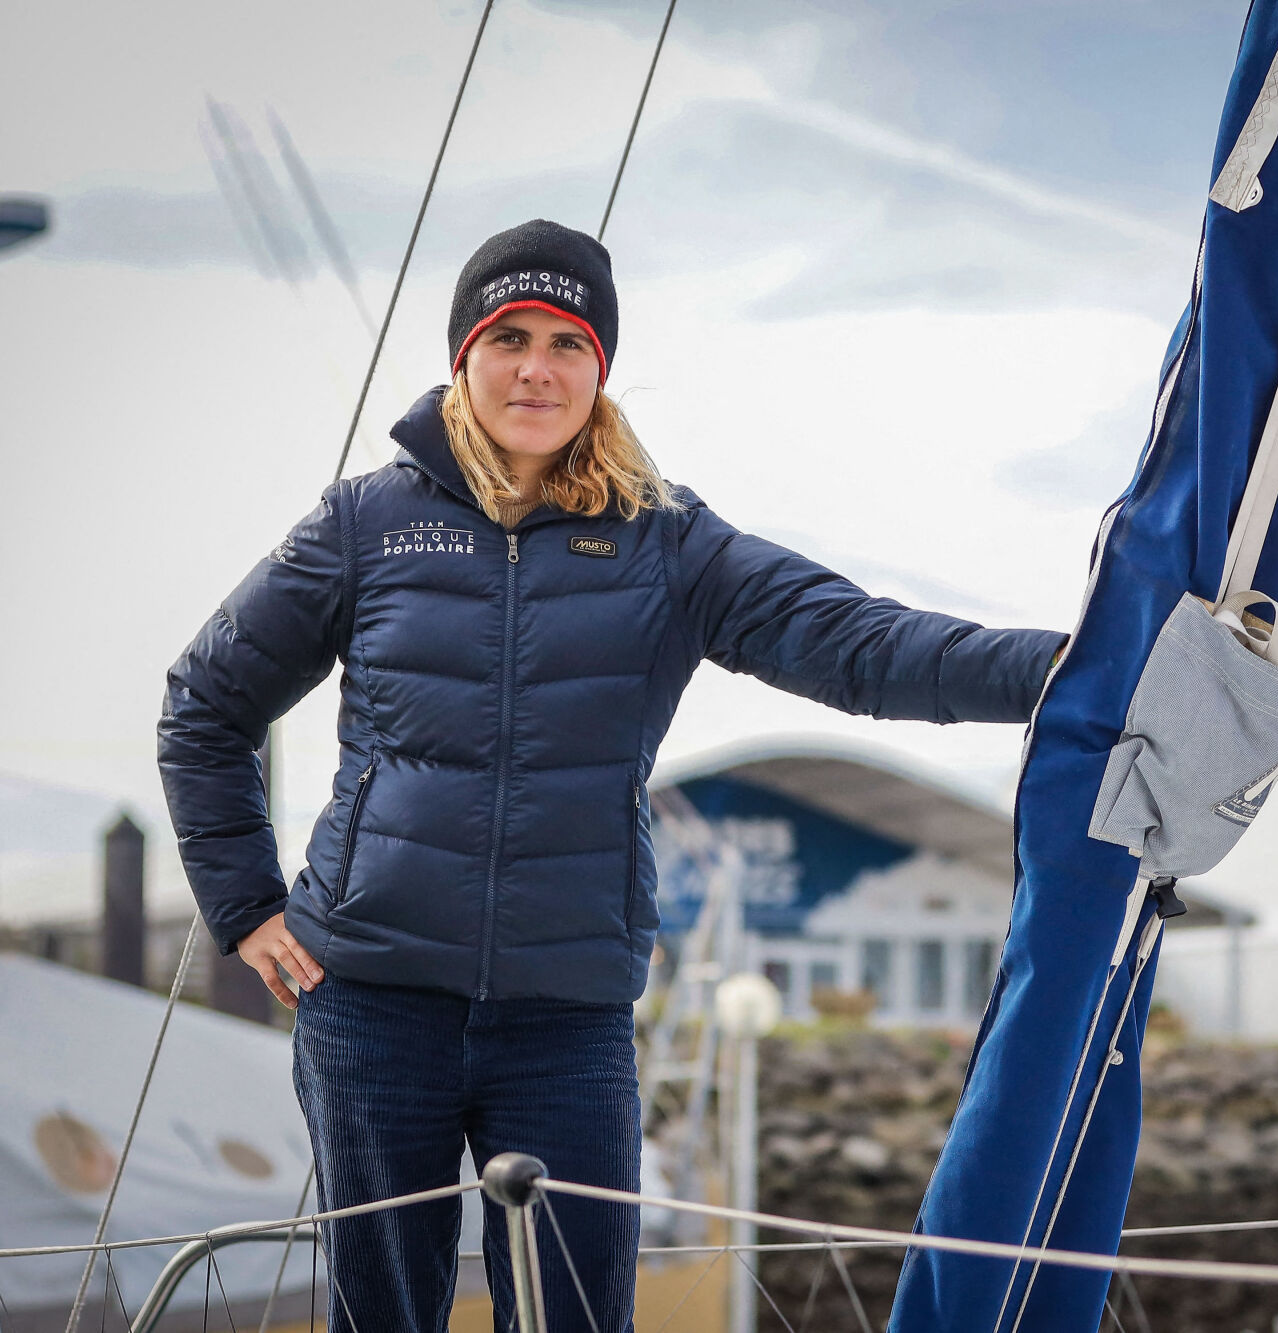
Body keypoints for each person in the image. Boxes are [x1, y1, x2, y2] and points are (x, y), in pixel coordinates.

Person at [158, 218, 1065, 1332]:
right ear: (464, 358)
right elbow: (206, 703)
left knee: (585, 1313)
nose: (536, 366)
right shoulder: (367, 524)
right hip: (372, 1002)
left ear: (601, 369)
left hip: (566, 1012)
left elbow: (860, 644)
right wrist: (246, 906)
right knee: (382, 1315)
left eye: (566, 343)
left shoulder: (664, 540)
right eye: (509, 336)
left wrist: (1083, 668)